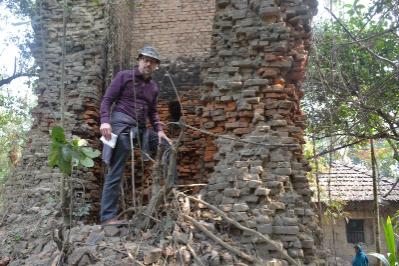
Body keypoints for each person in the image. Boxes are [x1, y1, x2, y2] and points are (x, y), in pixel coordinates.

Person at [99, 46, 172, 225]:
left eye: (152, 61)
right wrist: (105, 121)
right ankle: (107, 217)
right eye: (146, 59)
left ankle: (170, 197)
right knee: (116, 167)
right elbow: (107, 100)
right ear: (139, 60)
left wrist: (160, 131)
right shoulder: (124, 76)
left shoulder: (153, 87)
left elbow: (153, 113)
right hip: (120, 124)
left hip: (140, 128)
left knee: (168, 146)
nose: (148, 64)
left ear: (156, 66)